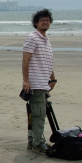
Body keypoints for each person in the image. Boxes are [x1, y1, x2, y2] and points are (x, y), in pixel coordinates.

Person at [22, 9, 57, 155]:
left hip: (43, 83)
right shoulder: (33, 38)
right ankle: (38, 144)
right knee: (39, 115)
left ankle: (33, 141)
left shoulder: (46, 40)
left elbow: (48, 62)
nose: (45, 22)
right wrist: (26, 80)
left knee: (35, 114)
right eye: (42, 20)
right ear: (36, 23)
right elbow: (25, 60)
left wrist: (53, 79)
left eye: (47, 20)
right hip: (35, 83)